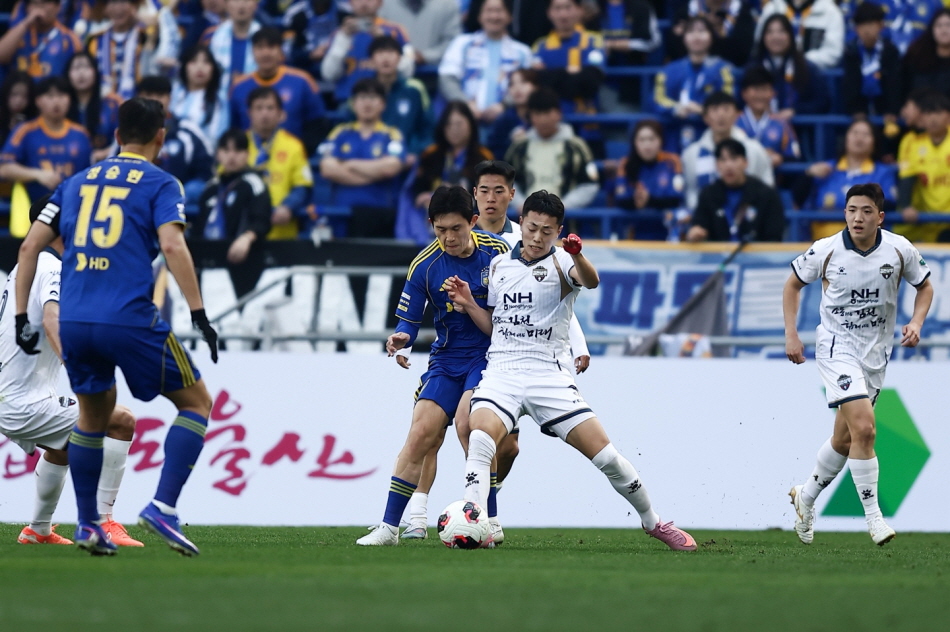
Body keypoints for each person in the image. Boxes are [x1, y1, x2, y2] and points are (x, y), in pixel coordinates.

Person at [13, 96, 219, 557]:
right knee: (197, 403)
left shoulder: (74, 182)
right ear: (160, 138)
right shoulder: (161, 182)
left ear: (118, 135)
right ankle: (163, 506)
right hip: (127, 315)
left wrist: (23, 316)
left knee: (91, 419)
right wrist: (198, 312)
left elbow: (28, 248)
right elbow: (173, 246)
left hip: (76, 319)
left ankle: (88, 524)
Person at [447, 189, 697, 552]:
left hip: (549, 376)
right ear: (522, 222)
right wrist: (470, 303)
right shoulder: (499, 266)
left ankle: (654, 522)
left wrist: (578, 254)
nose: (537, 237)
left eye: (546, 231)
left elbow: (591, 281)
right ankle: (474, 519)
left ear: (558, 232)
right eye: (532, 228)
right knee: (480, 436)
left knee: (608, 458)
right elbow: (494, 325)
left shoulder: (563, 262)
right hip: (503, 372)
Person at [400, 159, 593, 538]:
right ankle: (420, 516)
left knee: (507, 449)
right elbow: (415, 306)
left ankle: (484, 506)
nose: (491, 197)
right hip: (456, 356)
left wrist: (577, 344)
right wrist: (403, 337)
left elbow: (554, 298)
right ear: (474, 196)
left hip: (508, 358)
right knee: (434, 430)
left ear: (511, 196)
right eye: (484, 190)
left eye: (498, 190)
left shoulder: (523, 240)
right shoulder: (439, 253)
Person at [355, 185, 510, 546]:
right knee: (420, 433)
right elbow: (408, 320)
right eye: (440, 230)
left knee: (470, 426)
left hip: (489, 357)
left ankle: (489, 519)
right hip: (446, 359)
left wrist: (469, 303)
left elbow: (508, 316)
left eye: (456, 229)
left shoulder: (498, 254)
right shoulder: (424, 265)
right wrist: (401, 338)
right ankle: (389, 528)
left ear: (473, 221)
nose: (448, 238)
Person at [784, 182, 933, 547]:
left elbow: (925, 287)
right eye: (852, 210)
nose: (858, 218)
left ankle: (805, 497)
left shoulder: (899, 249)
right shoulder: (826, 249)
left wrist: (916, 323)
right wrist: (791, 333)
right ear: (845, 214)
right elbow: (792, 286)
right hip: (836, 348)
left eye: (866, 211)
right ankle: (874, 518)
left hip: (876, 355)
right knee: (865, 429)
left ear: (879, 217)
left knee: (846, 438)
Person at [1, 197, 141, 548]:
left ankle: (38, 530)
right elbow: (53, 320)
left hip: (14, 394)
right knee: (121, 421)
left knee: (63, 446)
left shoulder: (23, 268)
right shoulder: (51, 267)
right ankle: (103, 522)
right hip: (21, 400)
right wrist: (79, 372)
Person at [319, 77, 406, 238]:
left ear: (383, 104)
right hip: (341, 214)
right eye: (362, 98)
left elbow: (390, 168)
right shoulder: (340, 132)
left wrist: (349, 164)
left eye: (372, 98)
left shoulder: (392, 134)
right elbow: (327, 168)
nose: (367, 103)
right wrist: (374, 173)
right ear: (353, 104)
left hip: (379, 214)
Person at [193, 129, 272, 299]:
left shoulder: (254, 184)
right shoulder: (211, 188)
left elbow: (262, 220)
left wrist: (247, 238)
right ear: (218, 154)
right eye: (226, 150)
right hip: (208, 261)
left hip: (240, 263)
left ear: (247, 154)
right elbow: (199, 226)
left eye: (238, 150)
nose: (232, 156)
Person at [228, 26, 327, 155]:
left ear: (280, 51)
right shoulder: (238, 86)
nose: (265, 53)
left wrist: (300, 152)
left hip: (293, 157)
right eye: (260, 47)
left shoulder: (302, 81)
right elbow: (234, 128)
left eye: (271, 47)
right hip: (249, 159)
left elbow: (317, 124)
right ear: (252, 51)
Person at [796, 119, 897, 239]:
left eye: (866, 134)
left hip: (865, 245)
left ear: (874, 142)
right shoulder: (825, 169)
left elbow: (890, 203)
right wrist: (808, 175)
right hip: (824, 243)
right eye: (855, 133)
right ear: (846, 138)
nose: (859, 139)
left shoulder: (882, 173)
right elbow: (797, 201)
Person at [438, 0, 533, 126]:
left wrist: (504, 105)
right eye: (489, 10)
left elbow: (529, 86)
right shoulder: (461, 43)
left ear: (510, 16)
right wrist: (466, 105)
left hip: (509, 121)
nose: (494, 16)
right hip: (467, 120)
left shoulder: (523, 52)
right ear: (479, 16)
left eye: (499, 11)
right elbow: (447, 79)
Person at [0, 76, 91, 206]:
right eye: (50, 96)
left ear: (69, 99)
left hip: (72, 207)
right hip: (32, 207)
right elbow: (4, 168)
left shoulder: (81, 134)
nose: (56, 101)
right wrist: (37, 175)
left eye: (61, 95)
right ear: (38, 101)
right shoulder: (25, 131)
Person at [504, 87, 598, 210]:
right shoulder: (519, 147)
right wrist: (520, 204)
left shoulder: (576, 147)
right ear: (530, 116)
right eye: (538, 114)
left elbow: (589, 184)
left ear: (559, 113)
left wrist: (562, 207)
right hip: (525, 217)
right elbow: (505, 181)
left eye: (547, 113)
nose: (543, 119)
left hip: (566, 218)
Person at [681, 91, 773, 212]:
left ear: (736, 114)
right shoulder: (691, 154)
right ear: (705, 117)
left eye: (726, 109)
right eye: (715, 109)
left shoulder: (754, 149)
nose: (721, 115)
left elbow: (767, 184)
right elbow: (690, 191)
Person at [653, 15, 735, 151]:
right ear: (684, 38)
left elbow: (729, 98)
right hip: (675, 134)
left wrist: (705, 110)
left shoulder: (724, 70)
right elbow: (657, 99)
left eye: (702, 31)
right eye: (691, 31)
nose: (696, 36)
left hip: (712, 134)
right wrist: (676, 108)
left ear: (711, 36)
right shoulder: (668, 71)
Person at [244, 86, 315, 240]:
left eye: (270, 108)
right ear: (249, 113)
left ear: (281, 114)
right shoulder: (238, 144)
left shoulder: (294, 145)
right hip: (243, 229)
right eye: (259, 108)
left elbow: (303, 186)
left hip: (282, 231)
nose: (264, 113)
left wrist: (288, 206)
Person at [136, 76, 214, 213]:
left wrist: (180, 197)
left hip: (178, 208)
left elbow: (206, 173)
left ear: (170, 98)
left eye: (160, 95)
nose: (154, 100)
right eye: (148, 95)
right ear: (138, 98)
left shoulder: (188, 131)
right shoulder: (129, 132)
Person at [686, 138, 785, 243]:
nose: (728, 165)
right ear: (717, 165)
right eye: (723, 160)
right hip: (718, 253)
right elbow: (699, 225)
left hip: (757, 253)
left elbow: (774, 236)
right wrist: (696, 233)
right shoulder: (708, 194)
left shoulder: (766, 194)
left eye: (734, 159)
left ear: (745, 162)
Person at [320, 0, 414, 106]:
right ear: (350, 3)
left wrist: (384, 40)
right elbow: (329, 74)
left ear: (380, 2)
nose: (364, 3)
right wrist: (344, 38)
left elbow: (408, 70)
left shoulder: (396, 30)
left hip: (387, 100)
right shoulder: (339, 34)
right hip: (348, 100)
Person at [609, 119, 686, 240]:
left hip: (668, 232)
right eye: (642, 140)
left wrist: (649, 200)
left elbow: (676, 199)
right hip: (635, 234)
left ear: (661, 140)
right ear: (634, 142)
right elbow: (620, 199)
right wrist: (636, 200)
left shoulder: (672, 161)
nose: (647, 145)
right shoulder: (626, 164)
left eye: (651, 139)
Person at [410, 101, 493, 211]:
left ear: (471, 125)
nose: (454, 129)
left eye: (459, 124)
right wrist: (425, 197)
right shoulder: (431, 154)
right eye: (449, 124)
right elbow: (418, 189)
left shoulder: (483, 157)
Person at [749, 14, 829, 120]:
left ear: (790, 35)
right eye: (770, 32)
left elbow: (822, 102)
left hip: (798, 128)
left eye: (781, 31)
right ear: (763, 36)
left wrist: (795, 111)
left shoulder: (806, 67)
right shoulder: (753, 67)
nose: (776, 37)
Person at [367, 34, 433, 161]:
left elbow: (428, 128)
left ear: (400, 58)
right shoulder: (363, 91)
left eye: (390, 52)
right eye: (380, 52)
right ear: (371, 60)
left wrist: (416, 153)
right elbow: (351, 126)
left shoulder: (414, 89)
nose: (385, 58)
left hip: (407, 158)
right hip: (368, 157)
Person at [896, 91, 950, 242]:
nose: (933, 118)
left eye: (938, 112)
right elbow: (906, 177)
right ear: (922, 118)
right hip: (928, 222)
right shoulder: (912, 143)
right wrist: (906, 206)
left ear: (948, 116)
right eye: (928, 113)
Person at [842, 2, 902, 130]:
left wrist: (892, 110)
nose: (866, 30)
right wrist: (856, 110)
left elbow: (895, 83)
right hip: (859, 113)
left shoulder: (890, 51)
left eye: (870, 24)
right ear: (856, 29)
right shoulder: (851, 52)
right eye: (861, 25)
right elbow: (849, 84)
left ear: (881, 25)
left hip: (886, 112)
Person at [736, 66, 801, 169]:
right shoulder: (733, 121)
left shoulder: (781, 123)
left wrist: (780, 158)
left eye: (764, 89)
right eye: (756, 89)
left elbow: (794, 156)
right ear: (744, 93)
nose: (760, 95)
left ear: (773, 93)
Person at [85, 0, 151, 101]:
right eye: (113, 2)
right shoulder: (94, 40)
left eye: (123, 2)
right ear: (105, 8)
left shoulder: (144, 37)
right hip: (102, 103)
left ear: (133, 6)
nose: (118, 8)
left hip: (138, 102)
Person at [0, 0, 82, 79]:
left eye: (44, 3)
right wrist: (26, 23)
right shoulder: (18, 33)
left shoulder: (70, 38)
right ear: (27, 7)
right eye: (34, 3)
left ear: (58, 7)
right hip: (20, 87)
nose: (39, 8)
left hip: (53, 87)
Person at [65, 51, 122, 164]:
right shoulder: (61, 102)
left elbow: (124, 138)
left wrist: (107, 152)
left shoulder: (112, 103)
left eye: (86, 67)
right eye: (76, 68)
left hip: (106, 163)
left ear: (96, 71)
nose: (81, 73)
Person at [755, 0, 844, 71]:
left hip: (814, 74)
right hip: (771, 72)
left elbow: (833, 53)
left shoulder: (830, 11)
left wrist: (799, 61)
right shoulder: (773, 8)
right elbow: (759, 43)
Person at [201, 0, 263, 99]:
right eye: (236, 1)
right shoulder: (211, 36)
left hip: (256, 98)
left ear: (255, 5)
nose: (241, 6)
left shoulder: (265, 38)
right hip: (217, 99)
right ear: (226, 5)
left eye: (246, 1)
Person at [171, 45, 229, 151]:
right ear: (185, 66)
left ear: (213, 68)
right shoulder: (172, 94)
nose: (200, 67)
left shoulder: (220, 102)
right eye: (194, 61)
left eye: (206, 62)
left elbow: (220, 138)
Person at [379, 0, 460, 67]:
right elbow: (377, 41)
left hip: (435, 73)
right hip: (393, 74)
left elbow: (454, 43)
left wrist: (425, 56)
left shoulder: (447, 4)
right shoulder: (383, 3)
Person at [485, 67, 538, 160]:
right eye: (512, 84)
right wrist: (511, 143)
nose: (517, 88)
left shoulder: (543, 116)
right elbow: (493, 152)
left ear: (536, 87)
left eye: (523, 82)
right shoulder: (503, 120)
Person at [901, 8, 950, 100]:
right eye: (939, 25)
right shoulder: (917, 57)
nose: (944, 30)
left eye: (948, 25)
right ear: (931, 29)